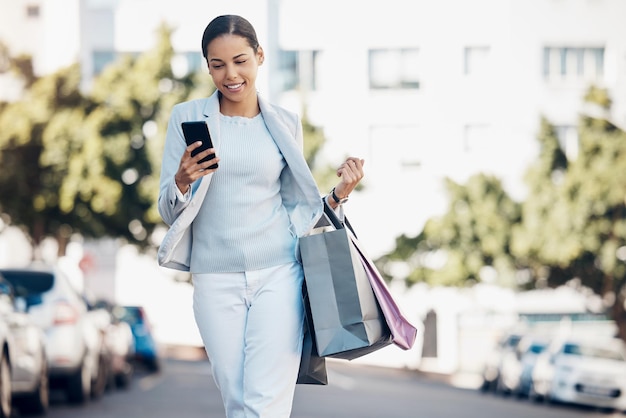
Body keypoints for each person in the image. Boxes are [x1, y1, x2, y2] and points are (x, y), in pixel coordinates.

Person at [157, 14, 365, 418]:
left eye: (240, 61)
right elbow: (169, 212)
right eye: (218, 65)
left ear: (259, 56)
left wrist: (339, 195)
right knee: (238, 401)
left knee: (265, 404)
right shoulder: (186, 119)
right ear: (207, 66)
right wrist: (182, 180)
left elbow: (298, 212)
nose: (230, 74)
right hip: (215, 279)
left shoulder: (285, 123)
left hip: (278, 274)